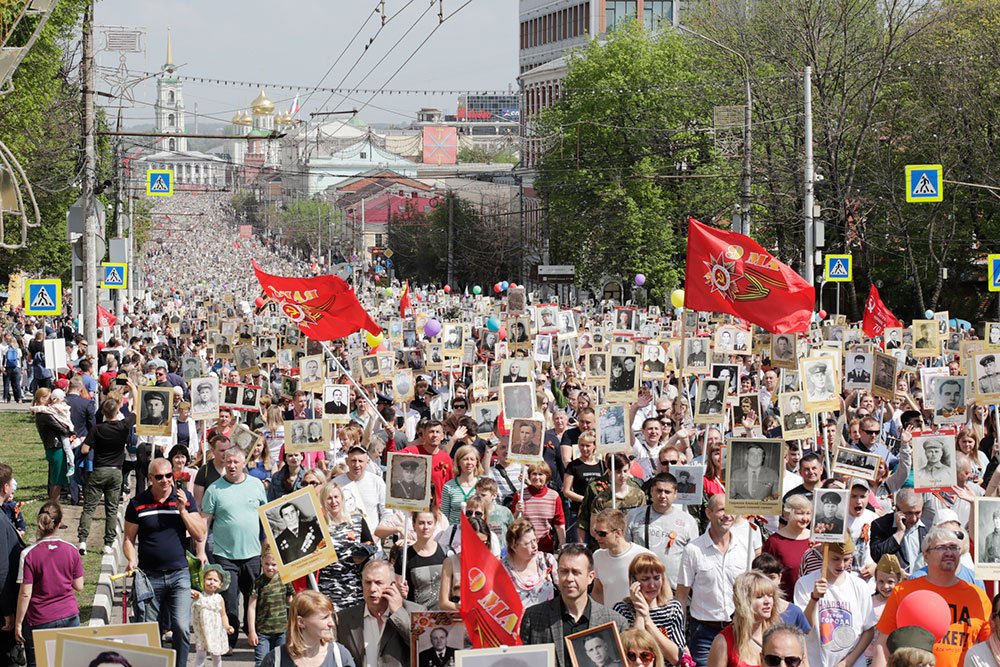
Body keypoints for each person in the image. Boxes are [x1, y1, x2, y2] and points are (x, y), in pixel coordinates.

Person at [123, 458, 207, 667]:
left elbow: (199, 534)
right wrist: (131, 559)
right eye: (159, 477)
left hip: (179, 574)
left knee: (181, 626)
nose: (165, 481)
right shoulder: (137, 503)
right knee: (151, 629)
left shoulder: (185, 498)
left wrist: (183, 511)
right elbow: (128, 539)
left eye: (169, 476)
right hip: (150, 576)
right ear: (150, 478)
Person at [874, 527, 992, 667]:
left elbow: (991, 646)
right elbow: (882, 644)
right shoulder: (903, 591)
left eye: (954, 547)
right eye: (941, 547)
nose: (949, 552)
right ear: (925, 556)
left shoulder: (977, 596)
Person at [676, 495, 762, 667]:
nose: (727, 515)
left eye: (731, 510)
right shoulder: (693, 550)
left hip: (739, 629)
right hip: (703, 632)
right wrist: (680, 637)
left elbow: (753, 591)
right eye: (722, 510)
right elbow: (681, 596)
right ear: (709, 513)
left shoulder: (745, 547)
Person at [197, 445, 268, 651]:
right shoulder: (214, 490)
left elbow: (266, 517)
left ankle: (252, 635)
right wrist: (201, 551)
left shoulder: (256, 485)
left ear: (244, 463)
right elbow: (205, 522)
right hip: (224, 554)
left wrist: (267, 549)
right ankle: (229, 639)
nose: (232, 465)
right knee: (229, 600)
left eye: (236, 462)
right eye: (228, 462)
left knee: (252, 597)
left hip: (253, 553)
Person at [519, 544, 629, 667]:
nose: (569, 578)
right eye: (564, 571)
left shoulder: (615, 622)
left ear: (590, 577)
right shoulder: (534, 617)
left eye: (576, 572)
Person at [793, 535, 875, 667]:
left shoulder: (859, 586)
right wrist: (814, 599)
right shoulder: (805, 584)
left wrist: (848, 662)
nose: (841, 565)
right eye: (835, 559)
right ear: (824, 555)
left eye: (846, 559)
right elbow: (804, 627)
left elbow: (868, 630)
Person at [14, 501, 78, 667]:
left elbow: (25, 593)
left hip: (39, 619)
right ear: (59, 523)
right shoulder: (71, 549)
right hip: (69, 615)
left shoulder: (28, 554)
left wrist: (19, 623)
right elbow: (79, 585)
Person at [335, 559, 424, 667]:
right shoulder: (344, 618)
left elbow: (423, 646)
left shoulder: (416, 612)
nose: (372, 589)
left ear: (392, 585)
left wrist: (398, 612)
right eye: (367, 582)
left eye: (378, 583)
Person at [78, 394, 136, 555]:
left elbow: (84, 449)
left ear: (103, 412)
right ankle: (108, 544)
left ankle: (83, 540)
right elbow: (136, 411)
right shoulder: (123, 426)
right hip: (115, 471)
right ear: (117, 411)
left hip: (98, 470)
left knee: (89, 508)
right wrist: (131, 387)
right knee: (111, 509)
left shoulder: (97, 429)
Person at [625, 472, 698, 590]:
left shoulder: (688, 521)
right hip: (641, 588)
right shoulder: (634, 516)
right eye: (659, 491)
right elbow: (625, 550)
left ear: (675, 494)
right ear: (651, 492)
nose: (663, 495)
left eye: (667, 492)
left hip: (673, 590)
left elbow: (693, 560)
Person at [612, 554, 687, 665]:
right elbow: (635, 652)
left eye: (656, 578)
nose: (652, 585)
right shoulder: (622, 610)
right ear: (634, 581)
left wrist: (648, 620)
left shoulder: (673, 609)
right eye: (645, 579)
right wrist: (639, 612)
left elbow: (676, 658)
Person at [316, 481, 372, 612]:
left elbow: (370, 545)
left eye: (336, 497)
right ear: (324, 501)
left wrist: (363, 555)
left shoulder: (357, 521)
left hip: (354, 588)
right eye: (329, 498)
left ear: (342, 498)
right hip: (328, 587)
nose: (333, 501)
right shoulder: (319, 526)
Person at [706, 572, 780, 667]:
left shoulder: (777, 636)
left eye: (770, 595)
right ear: (744, 601)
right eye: (759, 596)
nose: (767, 601)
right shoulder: (724, 641)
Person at [591, 509, 655, 605]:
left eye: (602, 534)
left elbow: (659, 593)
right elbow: (598, 591)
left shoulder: (643, 556)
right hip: (609, 618)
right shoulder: (598, 556)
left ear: (618, 533)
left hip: (637, 617)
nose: (597, 537)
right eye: (596, 532)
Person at [248, 547, 294, 666]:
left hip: (282, 631)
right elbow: (251, 608)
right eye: (267, 564)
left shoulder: (285, 579)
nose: (270, 567)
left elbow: (292, 602)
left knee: (281, 662)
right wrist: (252, 631)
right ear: (261, 562)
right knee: (261, 662)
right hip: (262, 632)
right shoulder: (258, 583)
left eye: (274, 564)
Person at [761, 495, 813, 598]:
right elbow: (765, 575)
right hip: (786, 602)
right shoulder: (775, 541)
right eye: (800, 513)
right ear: (788, 514)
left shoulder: (816, 539)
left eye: (808, 513)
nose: (805, 518)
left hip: (813, 601)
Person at [870, 489, 927, 574]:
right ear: (897, 509)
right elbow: (877, 556)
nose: (914, 518)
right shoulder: (881, 525)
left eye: (917, 513)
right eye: (909, 513)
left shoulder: (926, 528)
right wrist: (899, 532)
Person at [503, 518, 557, 607]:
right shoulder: (502, 569)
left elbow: (563, 588)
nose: (534, 546)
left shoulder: (547, 561)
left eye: (535, 540)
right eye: (527, 543)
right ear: (514, 547)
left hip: (547, 618)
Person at [31, 388, 73, 502]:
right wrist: (72, 432)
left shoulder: (43, 413)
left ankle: (53, 505)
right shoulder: (44, 415)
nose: (51, 400)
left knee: (55, 479)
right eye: (49, 398)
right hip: (55, 448)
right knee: (56, 480)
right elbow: (62, 428)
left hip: (53, 448)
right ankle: (54, 505)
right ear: (42, 399)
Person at [192, 565, 234, 667]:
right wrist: (196, 596)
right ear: (203, 580)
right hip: (202, 630)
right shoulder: (199, 596)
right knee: (201, 653)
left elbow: (223, 614)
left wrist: (227, 626)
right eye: (209, 579)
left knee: (216, 654)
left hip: (216, 631)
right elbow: (192, 594)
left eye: (215, 580)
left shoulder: (219, 599)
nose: (212, 582)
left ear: (220, 584)